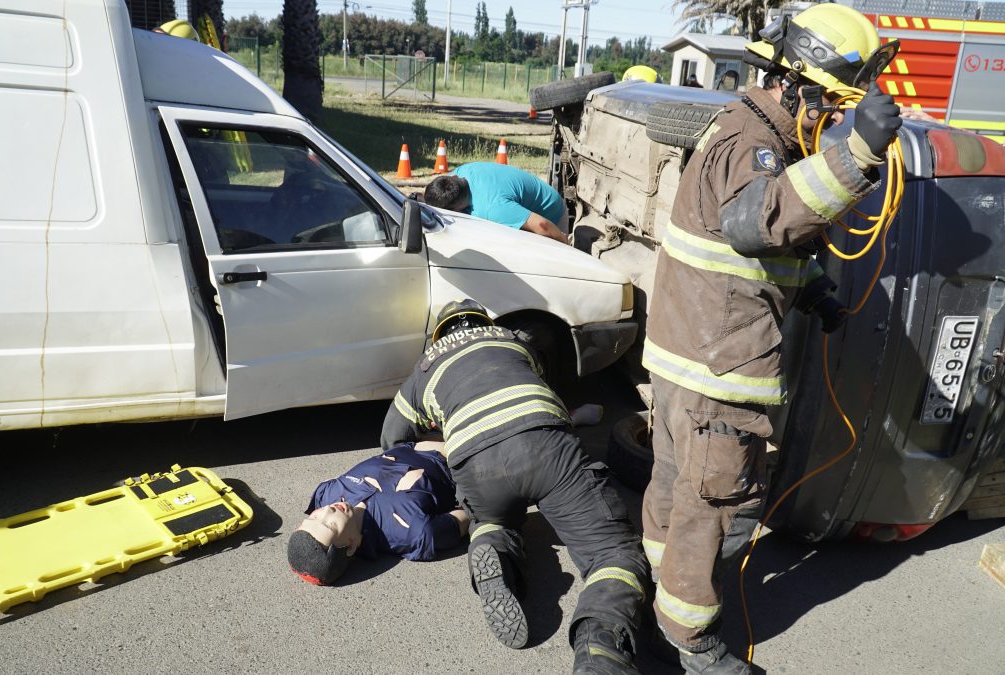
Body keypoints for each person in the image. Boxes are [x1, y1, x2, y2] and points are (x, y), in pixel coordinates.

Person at [638, 4, 903, 673]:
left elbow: (759, 250)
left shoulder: (753, 133)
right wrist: (859, 152)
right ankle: (693, 643)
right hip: (721, 375)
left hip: (687, 363)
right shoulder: (751, 145)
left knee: (675, 493)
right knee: (711, 502)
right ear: (794, 84)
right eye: (832, 106)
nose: (835, 121)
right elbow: (755, 223)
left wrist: (809, 288)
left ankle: (662, 594)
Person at [381, 299, 648, 674]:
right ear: (480, 321)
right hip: (546, 450)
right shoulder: (514, 340)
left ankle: (492, 545)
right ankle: (601, 652)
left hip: (477, 467)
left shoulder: (425, 368)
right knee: (613, 553)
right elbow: (538, 385)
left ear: (440, 335)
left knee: (493, 520)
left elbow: (392, 439)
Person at [287, 441, 468, 586]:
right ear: (351, 545)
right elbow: (471, 513)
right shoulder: (412, 531)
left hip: (405, 439)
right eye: (330, 524)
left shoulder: (325, 494)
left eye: (315, 516)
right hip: (464, 461)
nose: (328, 510)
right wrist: (456, 445)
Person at [424, 163, 570, 244]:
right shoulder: (461, 172)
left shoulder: (492, 208)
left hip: (551, 217)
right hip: (530, 200)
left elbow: (542, 226)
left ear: (457, 209)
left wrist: (565, 243)